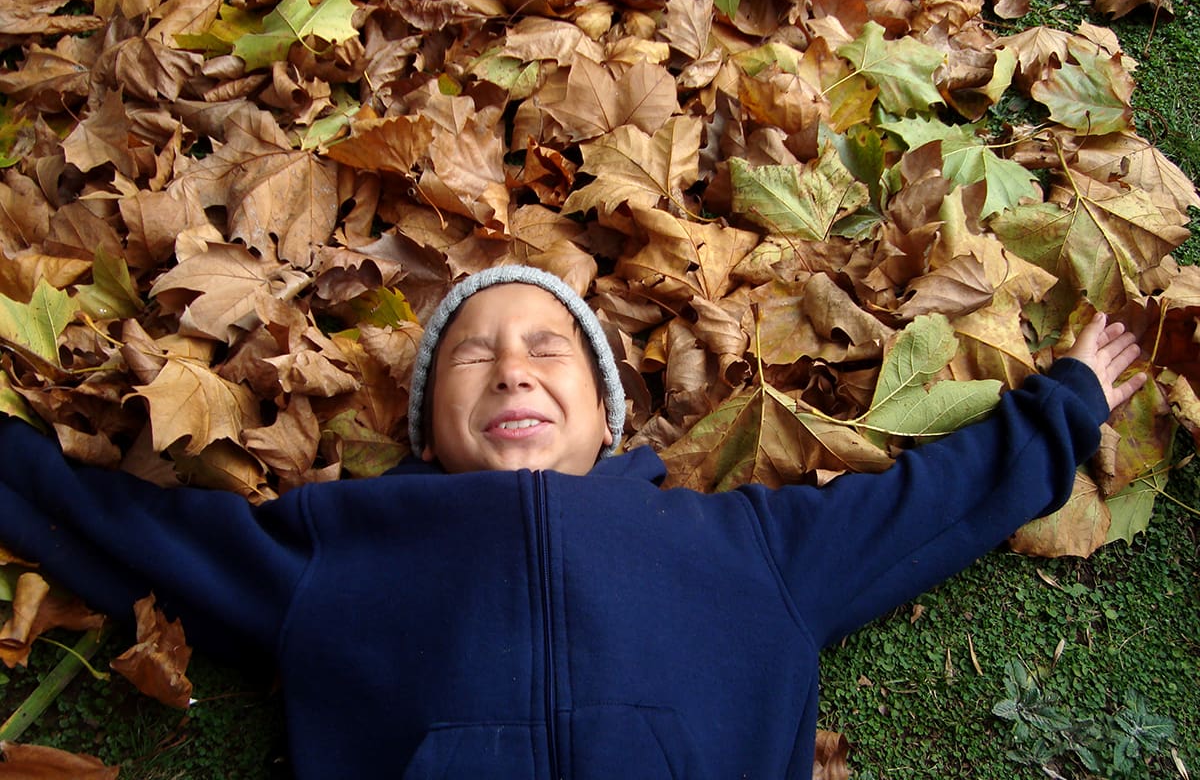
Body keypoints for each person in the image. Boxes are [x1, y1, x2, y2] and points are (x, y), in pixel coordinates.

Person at [0, 265, 1145, 779]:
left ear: (609, 419)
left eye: (551, 348)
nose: (514, 367)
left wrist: (1064, 406)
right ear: (426, 429)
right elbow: (119, 524)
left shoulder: (743, 547)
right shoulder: (334, 544)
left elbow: (918, 511)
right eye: (474, 353)